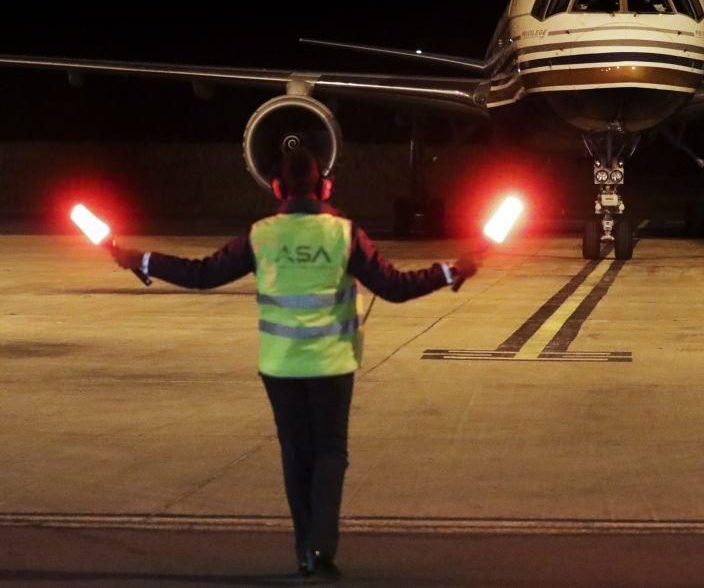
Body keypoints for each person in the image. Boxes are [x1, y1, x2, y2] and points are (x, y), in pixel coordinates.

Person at [109, 147, 478, 580]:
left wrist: (142, 259)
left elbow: (203, 274)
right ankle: (321, 549)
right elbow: (393, 286)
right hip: (331, 365)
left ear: (279, 189)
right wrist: (449, 273)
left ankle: (304, 548)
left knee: (295, 454)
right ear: (325, 187)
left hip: (280, 365)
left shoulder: (262, 234)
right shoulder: (343, 233)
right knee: (329, 455)